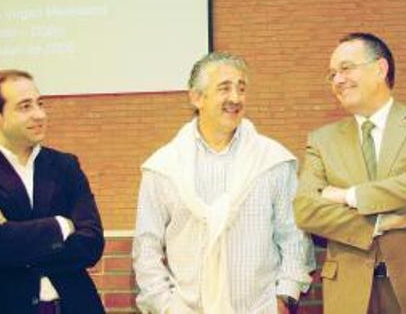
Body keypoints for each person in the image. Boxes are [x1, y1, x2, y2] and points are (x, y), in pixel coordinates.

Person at [293, 32, 406, 313]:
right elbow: (305, 209)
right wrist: (381, 223)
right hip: (351, 294)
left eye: (346, 68)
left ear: (380, 68)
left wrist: (350, 196)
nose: (337, 80)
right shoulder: (322, 140)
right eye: (332, 74)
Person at [133, 52, 313, 313]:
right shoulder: (163, 168)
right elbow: (146, 247)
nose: (236, 98)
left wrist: (284, 298)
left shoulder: (273, 161)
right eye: (224, 88)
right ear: (197, 97)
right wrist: (166, 306)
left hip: (260, 308)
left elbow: (293, 236)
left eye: (241, 89)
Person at [0, 70, 105, 314]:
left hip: (72, 305)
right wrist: (60, 227)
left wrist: (9, 231)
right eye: (25, 106)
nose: (39, 114)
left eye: (40, 104)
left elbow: (91, 244)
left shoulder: (65, 166)